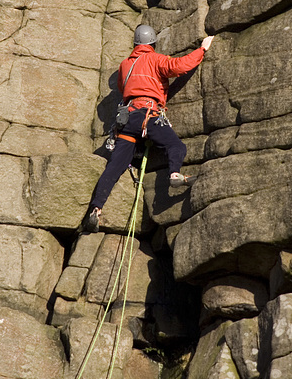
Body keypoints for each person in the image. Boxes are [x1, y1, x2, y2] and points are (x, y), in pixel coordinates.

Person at [84, 24, 214, 232]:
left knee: (114, 167)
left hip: (126, 121)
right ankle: (174, 175)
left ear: (135, 44)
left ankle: (96, 209)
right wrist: (202, 49)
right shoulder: (156, 59)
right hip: (148, 115)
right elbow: (180, 66)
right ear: (152, 43)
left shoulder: (125, 65)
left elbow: (122, 87)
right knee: (176, 147)